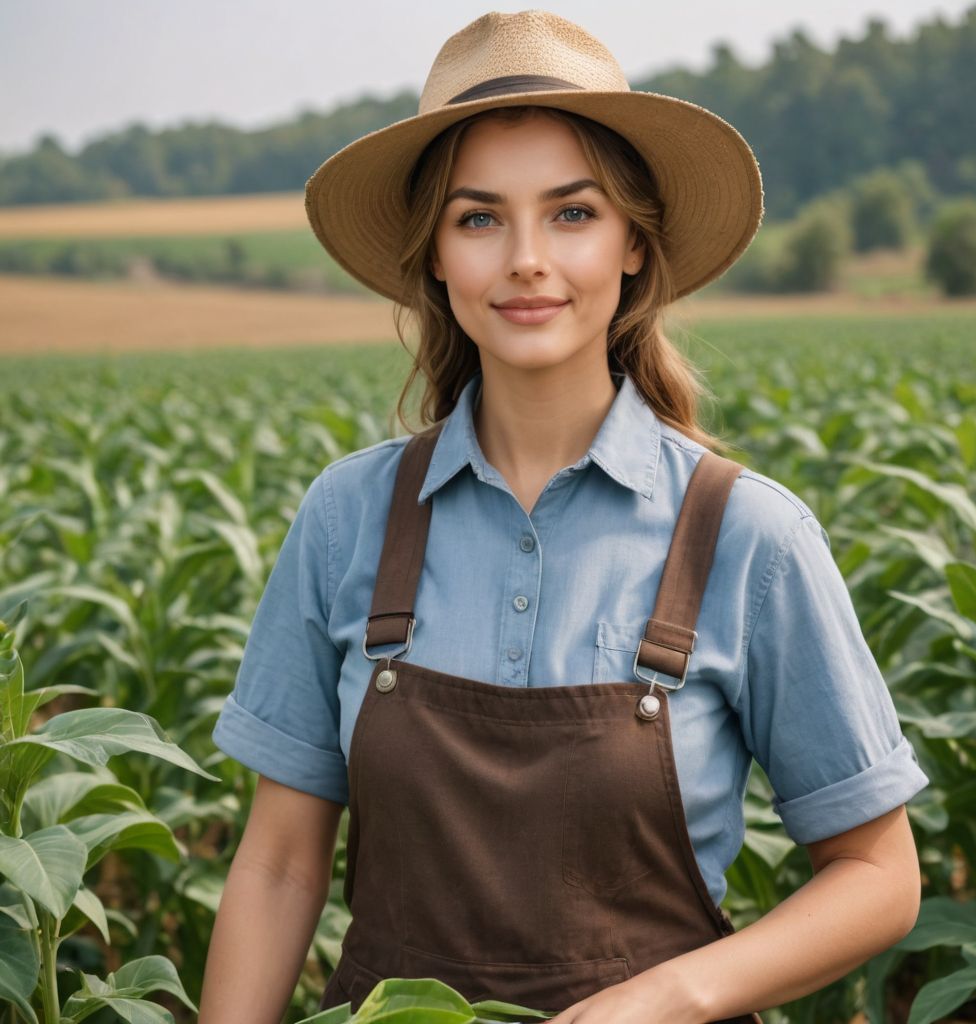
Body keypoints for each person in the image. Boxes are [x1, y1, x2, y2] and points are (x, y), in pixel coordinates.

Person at [201, 10, 930, 1024]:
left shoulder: (747, 536)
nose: (527, 259)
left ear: (635, 243)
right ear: (437, 258)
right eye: (479, 217)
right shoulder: (347, 517)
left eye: (573, 214)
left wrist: (671, 995)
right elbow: (280, 864)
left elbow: (879, 874)